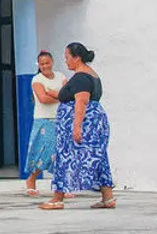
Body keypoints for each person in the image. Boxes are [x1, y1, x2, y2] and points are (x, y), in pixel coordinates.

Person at [40, 42, 115, 211]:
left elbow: (81, 102)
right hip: (95, 122)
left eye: (67, 57)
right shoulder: (91, 75)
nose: (66, 61)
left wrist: (76, 128)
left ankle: (57, 199)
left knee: (65, 157)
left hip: (84, 123)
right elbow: (68, 96)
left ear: (77, 58)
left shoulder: (81, 77)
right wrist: (55, 94)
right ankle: (107, 197)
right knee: (99, 157)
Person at [24, 51, 68, 197]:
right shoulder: (37, 79)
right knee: (41, 152)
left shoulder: (61, 76)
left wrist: (54, 94)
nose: (45, 66)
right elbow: (43, 98)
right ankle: (31, 180)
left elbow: (69, 94)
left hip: (60, 119)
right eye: (42, 64)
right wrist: (60, 96)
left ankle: (61, 187)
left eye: (47, 63)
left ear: (52, 62)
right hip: (43, 120)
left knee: (60, 154)